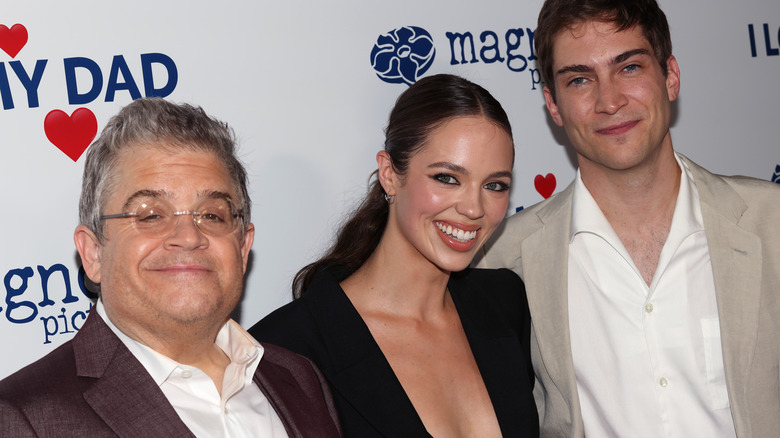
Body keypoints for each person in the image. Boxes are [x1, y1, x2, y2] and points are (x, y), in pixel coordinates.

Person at [477, 0, 780, 436]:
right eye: (580, 79)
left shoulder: (770, 225)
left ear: (670, 76)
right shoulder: (502, 264)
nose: (610, 101)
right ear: (554, 105)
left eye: (630, 68)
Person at [0, 98, 341, 437]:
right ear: (93, 254)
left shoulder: (299, 377)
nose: (189, 236)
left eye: (212, 215)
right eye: (150, 215)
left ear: (242, 247)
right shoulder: (24, 419)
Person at [250, 74, 538, 437]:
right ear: (389, 175)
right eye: (447, 178)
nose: (473, 208)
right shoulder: (286, 349)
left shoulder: (505, 303)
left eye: (494, 186)